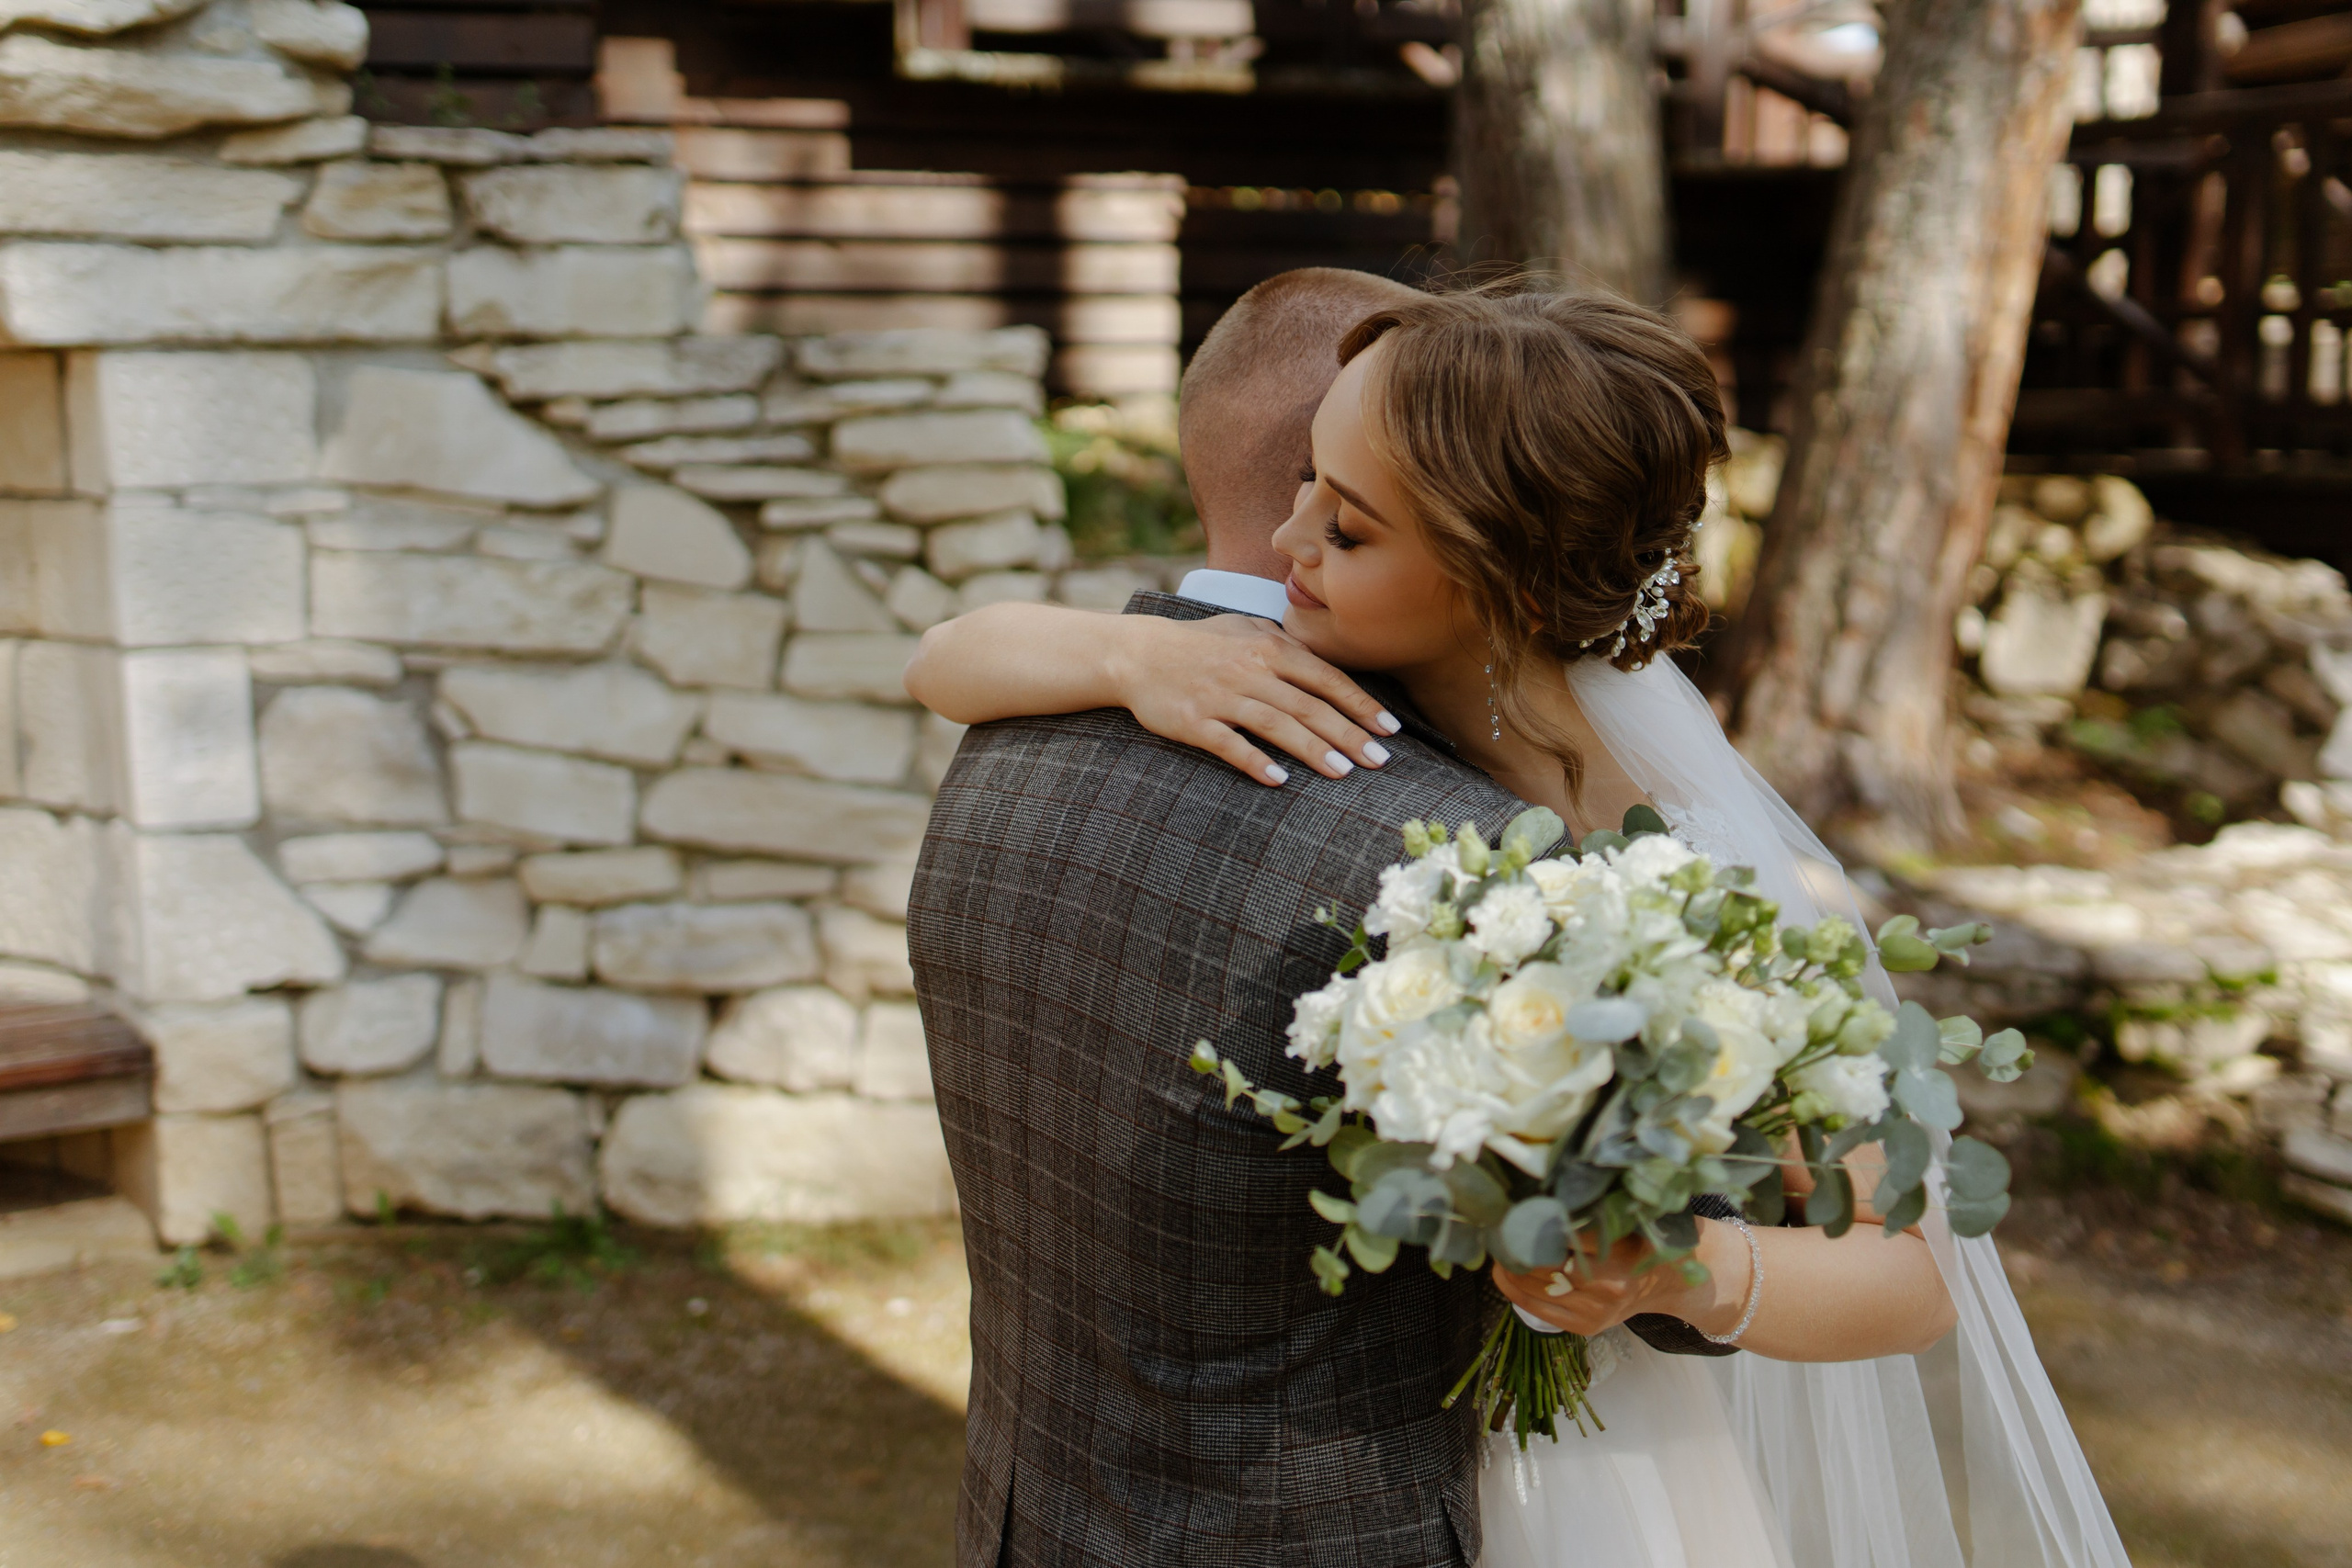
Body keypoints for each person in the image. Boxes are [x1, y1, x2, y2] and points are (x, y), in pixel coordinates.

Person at [908, 279, 2133, 1568]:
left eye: (1351, 521)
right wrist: (1124, 656)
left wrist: (1665, 1264)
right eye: (1309, 484)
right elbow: (944, 654)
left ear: (1502, 574)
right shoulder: (1224, 727)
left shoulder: (1619, 888)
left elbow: (1907, 1269)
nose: (1291, 538)